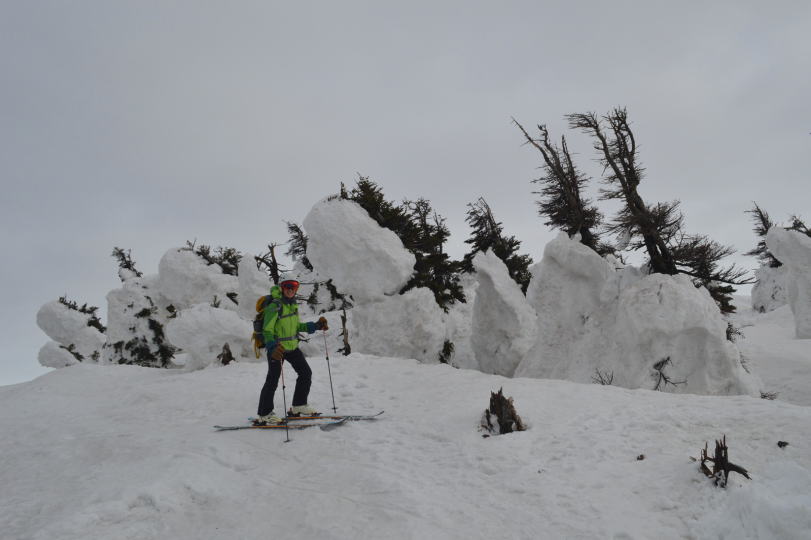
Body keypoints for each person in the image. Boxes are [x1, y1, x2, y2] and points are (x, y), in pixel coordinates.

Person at [255, 279, 328, 425]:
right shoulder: (275, 306)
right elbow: (267, 330)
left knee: (305, 373)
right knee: (272, 381)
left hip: (292, 347)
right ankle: (264, 414)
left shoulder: (292, 305)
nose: (290, 289)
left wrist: (316, 325)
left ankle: (299, 405)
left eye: (293, 287)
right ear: (282, 288)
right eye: (287, 286)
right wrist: (272, 347)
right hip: (277, 349)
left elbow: (296, 326)